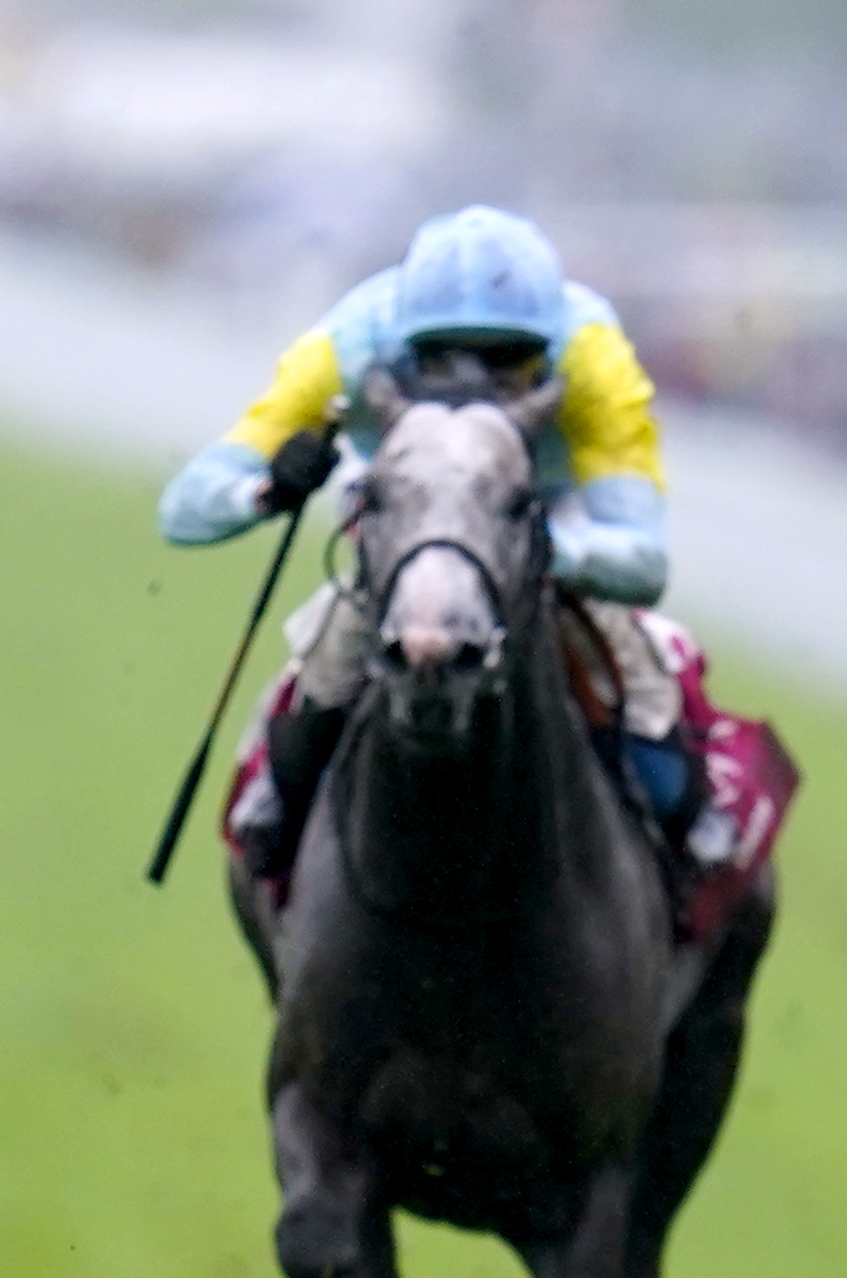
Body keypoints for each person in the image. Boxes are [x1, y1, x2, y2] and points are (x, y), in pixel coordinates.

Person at [163, 204, 699, 869]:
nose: (477, 385)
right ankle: (278, 831)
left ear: (547, 347)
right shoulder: (350, 345)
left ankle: (686, 873)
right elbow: (183, 510)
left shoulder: (590, 356)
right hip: (402, 527)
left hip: (541, 524)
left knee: (658, 730)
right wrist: (269, 490)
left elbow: (643, 560)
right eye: (443, 361)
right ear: (404, 346)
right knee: (322, 679)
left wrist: (538, 551)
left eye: (507, 363)